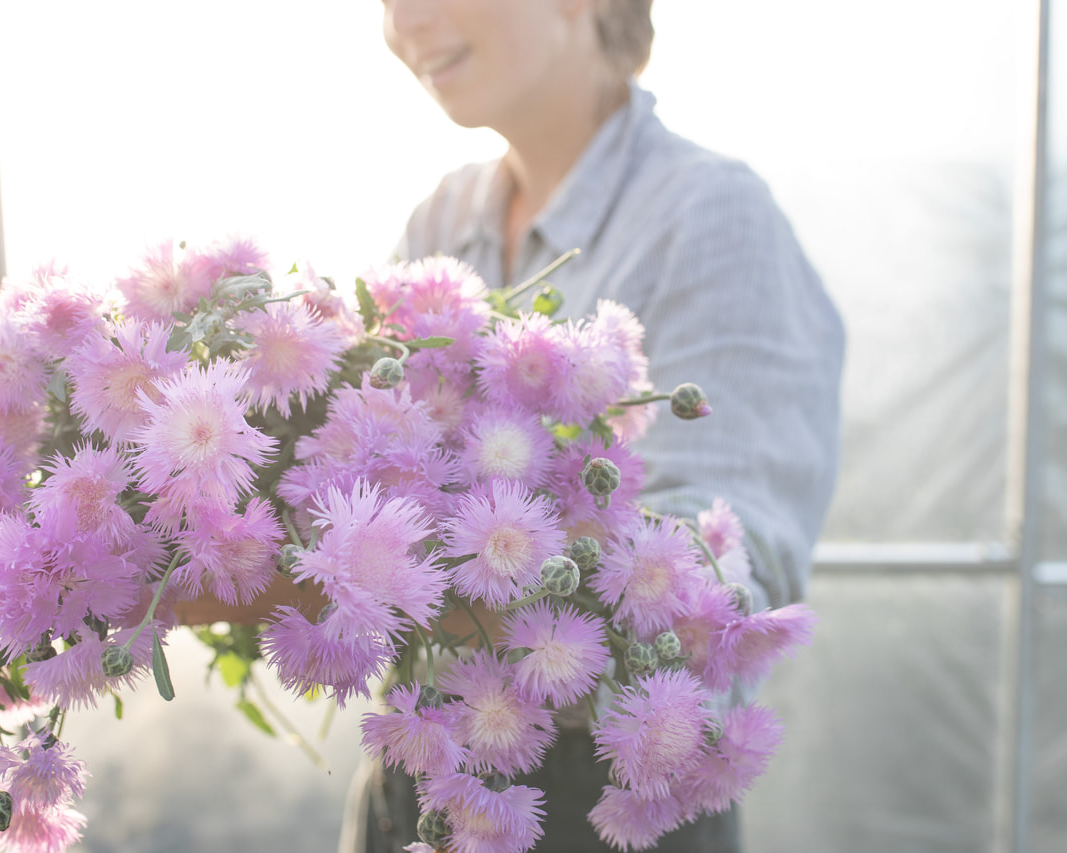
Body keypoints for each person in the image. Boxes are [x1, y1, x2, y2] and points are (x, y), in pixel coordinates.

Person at [341, 1, 845, 851]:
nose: (407, 20)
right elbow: (346, 460)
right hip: (419, 778)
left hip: (604, 802)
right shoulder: (441, 219)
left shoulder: (710, 215)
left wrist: (373, 574)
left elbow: (716, 584)